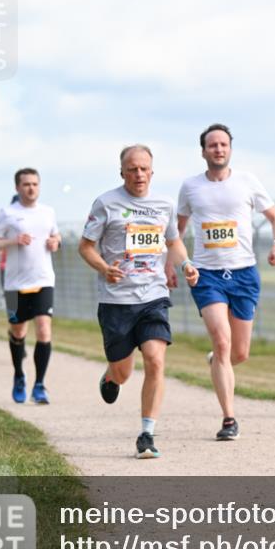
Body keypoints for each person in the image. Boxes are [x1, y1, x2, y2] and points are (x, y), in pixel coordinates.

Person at [79, 144, 198, 459]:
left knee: (155, 359)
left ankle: (147, 433)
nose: (139, 174)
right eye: (132, 168)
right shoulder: (106, 203)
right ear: (122, 172)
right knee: (123, 373)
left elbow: (173, 241)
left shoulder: (164, 205)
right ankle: (110, 375)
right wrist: (104, 268)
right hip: (116, 300)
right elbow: (86, 246)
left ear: (152, 171)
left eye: (144, 168)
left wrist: (185, 265)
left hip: (153, 296)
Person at [173, 124, 275, 441]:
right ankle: (229, 419)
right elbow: (176, 233)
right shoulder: (191, 187)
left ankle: (217, 363)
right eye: (212, 145)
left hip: (244, 274)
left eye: (223, 144)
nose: (218, 149)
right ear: (203, 151)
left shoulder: (247, 181)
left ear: (230, 149)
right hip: (207, 275)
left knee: (239, 353)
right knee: (222, 342)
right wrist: (176, 264)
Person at [0, 170, 61, 404]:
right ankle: (19, 375)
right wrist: (12, 241)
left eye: (35, 184)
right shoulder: (8, 213)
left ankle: (39, 385)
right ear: (17, 187)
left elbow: (56, 237)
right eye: (26, 184)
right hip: (15, 284)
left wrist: (55, 242)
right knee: (18, 331)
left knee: (44, 329)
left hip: (43, 280)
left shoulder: (48, 212)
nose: (31, 188)